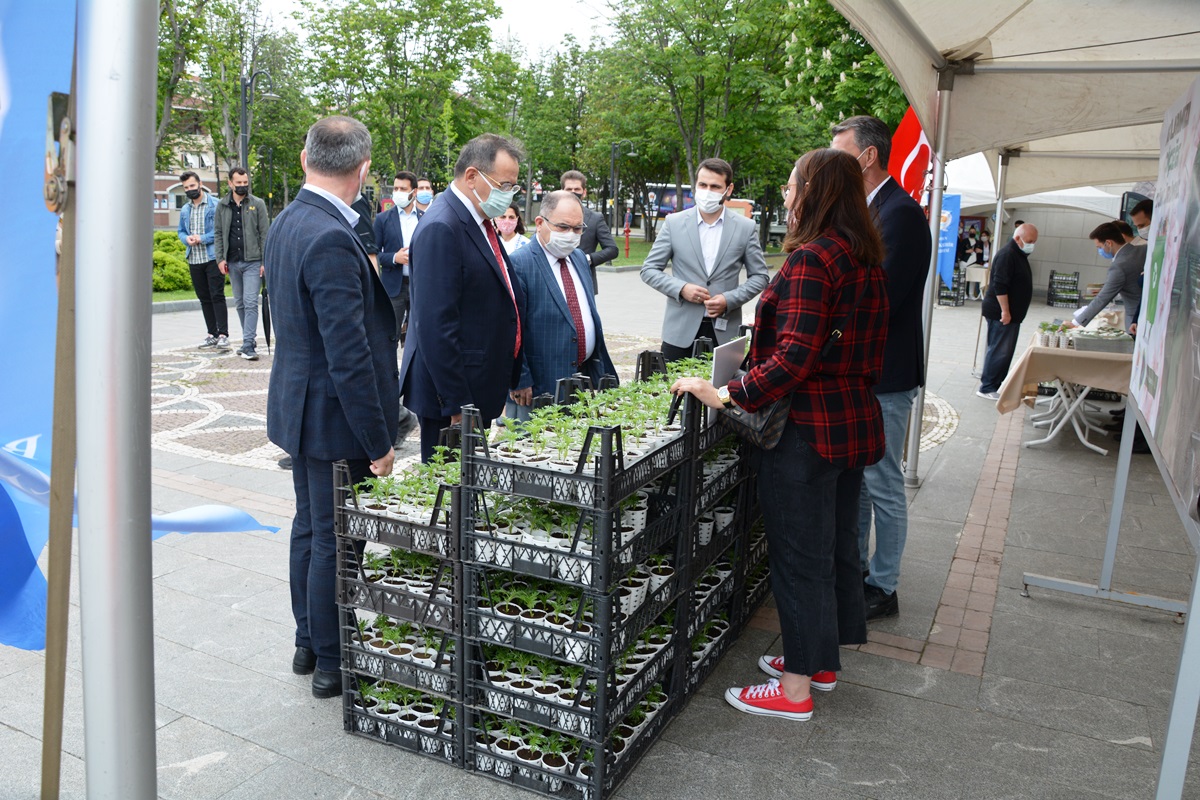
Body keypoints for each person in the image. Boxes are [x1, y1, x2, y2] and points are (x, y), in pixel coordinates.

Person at [671, 148, 888, 721]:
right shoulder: (864, 256)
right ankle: (817, 662)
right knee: (835, 545)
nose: (787, 197)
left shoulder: (814, 259)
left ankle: (795, 690)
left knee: (797, 555)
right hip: (850, 423)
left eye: (793, 186)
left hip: (807, 431)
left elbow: (794, 357)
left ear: (813, 192)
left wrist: (726, 394)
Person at [265, 115, 399, 699]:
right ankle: (331, 659)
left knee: (312, 530)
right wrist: (380, 441)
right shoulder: (327, 235)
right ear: (363, 169)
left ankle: (307, 642)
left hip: (301, 407)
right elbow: (349, 356)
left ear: (304, 159)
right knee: (335, 541)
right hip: (332, 418)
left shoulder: (291, 218)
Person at [831, 114, 932, 621]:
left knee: (883, 481)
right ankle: (859, 574)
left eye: (842, 154)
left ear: (867, 157)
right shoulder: (871, 209)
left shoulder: (901, 214)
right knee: (862, 479)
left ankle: (884, 584)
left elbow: (879, 299)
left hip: (886, 374)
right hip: (866, 372)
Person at [399, 133, 526, 462]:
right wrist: (458, 406)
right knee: (448, 495)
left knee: (466, 493)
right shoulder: (443, 226)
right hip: (452, 400)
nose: (509, 194)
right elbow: (435, 326)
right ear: (472, 177)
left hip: (474, 388)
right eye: (504, 185)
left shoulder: (477, 219)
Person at [640, 157, 769, 360]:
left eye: (715, 186)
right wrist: (681, 289)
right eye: (702, 184)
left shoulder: (745, 228)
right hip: (679, 332)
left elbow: (760, 276)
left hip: (725, 332)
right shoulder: (674, 223)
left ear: (729, 189)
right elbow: (649, 270)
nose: (707, 191)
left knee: (720, 391)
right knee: (673, 390)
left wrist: (729, 299)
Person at [506, 191, 617, 421]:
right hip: (539, 387)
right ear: (540, 223)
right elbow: (510, 329)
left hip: (583, 379)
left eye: (578, 229)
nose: (571, 235)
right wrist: (520, 378)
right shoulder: (519, 264)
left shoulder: (578, 258)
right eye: (563, 227)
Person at [213, 167, 270, 361]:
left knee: (251, 301)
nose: (242, 186)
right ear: (230, 183)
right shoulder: (222, 205)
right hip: (232, 261)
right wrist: (220, 258)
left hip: (253, 261)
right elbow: (219, 233)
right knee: (239, 303)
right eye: (238, 183)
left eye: (245, 183)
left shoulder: (258, 204)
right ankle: (249, 341)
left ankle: (247, 343)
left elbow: (265, 234)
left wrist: (265, 260)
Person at [977, 224, 1039, 400]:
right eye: (1029, 241)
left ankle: (995, 384)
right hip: (1002, 313)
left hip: (1011, 313)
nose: (1032, 245)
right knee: (999, 350)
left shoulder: (1018, 253)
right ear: (1018, 238)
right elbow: (1000, 285)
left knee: (1004, 351)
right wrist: (1005, 311)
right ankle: (987, 387)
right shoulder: (1007, 254)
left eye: (1034, 242)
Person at [177, 171, 229, 350]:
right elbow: (181, 231)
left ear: (199, 184)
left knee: (217, 295)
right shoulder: (185, 209)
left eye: (192, 186)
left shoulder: (215, 205)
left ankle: (223, 334)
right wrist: (187, 239)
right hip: (194, 258)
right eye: (186, 188)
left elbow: (221, 231)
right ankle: (212, 334)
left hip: (212, 257)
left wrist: (202, 238)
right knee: (204, 298)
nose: (190, 190)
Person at [373, 170, 423, 342]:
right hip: (394, 287)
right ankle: (390, 369)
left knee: (418, 336)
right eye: (396, 188)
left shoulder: (426, 218)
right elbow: (374, 254)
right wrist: (395, 258)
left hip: (420, 285)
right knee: (390, 336)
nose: (398, 193)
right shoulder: (382, 219)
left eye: (403, 188)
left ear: (414, 192)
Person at [1068, 221, 1143, 332]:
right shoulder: (1144, 250)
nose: (1099, 250)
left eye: (1099, 247)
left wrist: (1075, 322)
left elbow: (1102, 298)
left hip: (1136, 321)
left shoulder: (1119, 266)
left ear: (1108, 243)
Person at [561, 169, 618, 293]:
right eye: (569, 189)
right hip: (555, 282)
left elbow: (612, 250)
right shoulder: (550, 216)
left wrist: (587, 259)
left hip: (584, 282)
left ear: (584, 192)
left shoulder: (595, 218)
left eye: (577, 189)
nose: (573, 192)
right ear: (562, 191)